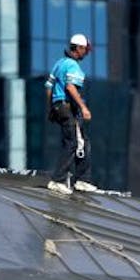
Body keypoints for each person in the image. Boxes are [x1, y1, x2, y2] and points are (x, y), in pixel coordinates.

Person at [45, 33, 96, 195]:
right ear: (79, 48)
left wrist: (52, 108)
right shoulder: (73, 66)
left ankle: (82, 179)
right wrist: (83, 107)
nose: (86, 53)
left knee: (82, 141)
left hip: (59, 107)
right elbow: (70, 87)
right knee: (73, 143)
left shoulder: (59, 64)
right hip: (68, 108)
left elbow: (48, 87)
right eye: (85, 50)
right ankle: (58, 180)